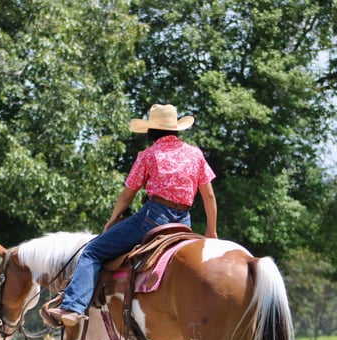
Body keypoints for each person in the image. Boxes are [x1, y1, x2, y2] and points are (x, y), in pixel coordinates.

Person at [48, 103, 219, 327]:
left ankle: (73, 307)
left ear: (153, 130)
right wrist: (211, 230)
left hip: (154, 218)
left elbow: (127, 195)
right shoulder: (195, 154)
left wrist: (112, 219)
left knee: (93, 251)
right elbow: (209, 197)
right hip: (184, 223)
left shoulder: (148, 155)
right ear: (176, 129)